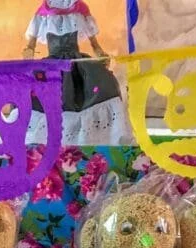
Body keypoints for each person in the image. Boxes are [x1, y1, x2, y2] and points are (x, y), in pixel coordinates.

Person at [23, 0, 132, 145]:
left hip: (76, 63)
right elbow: (31, 44)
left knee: (105, 83)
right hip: (53, 65)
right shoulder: (43, 12)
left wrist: (100, 52)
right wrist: (28, 54)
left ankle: (88, 137)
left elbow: (94, 42)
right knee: (31, 92)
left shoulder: (79, 8)